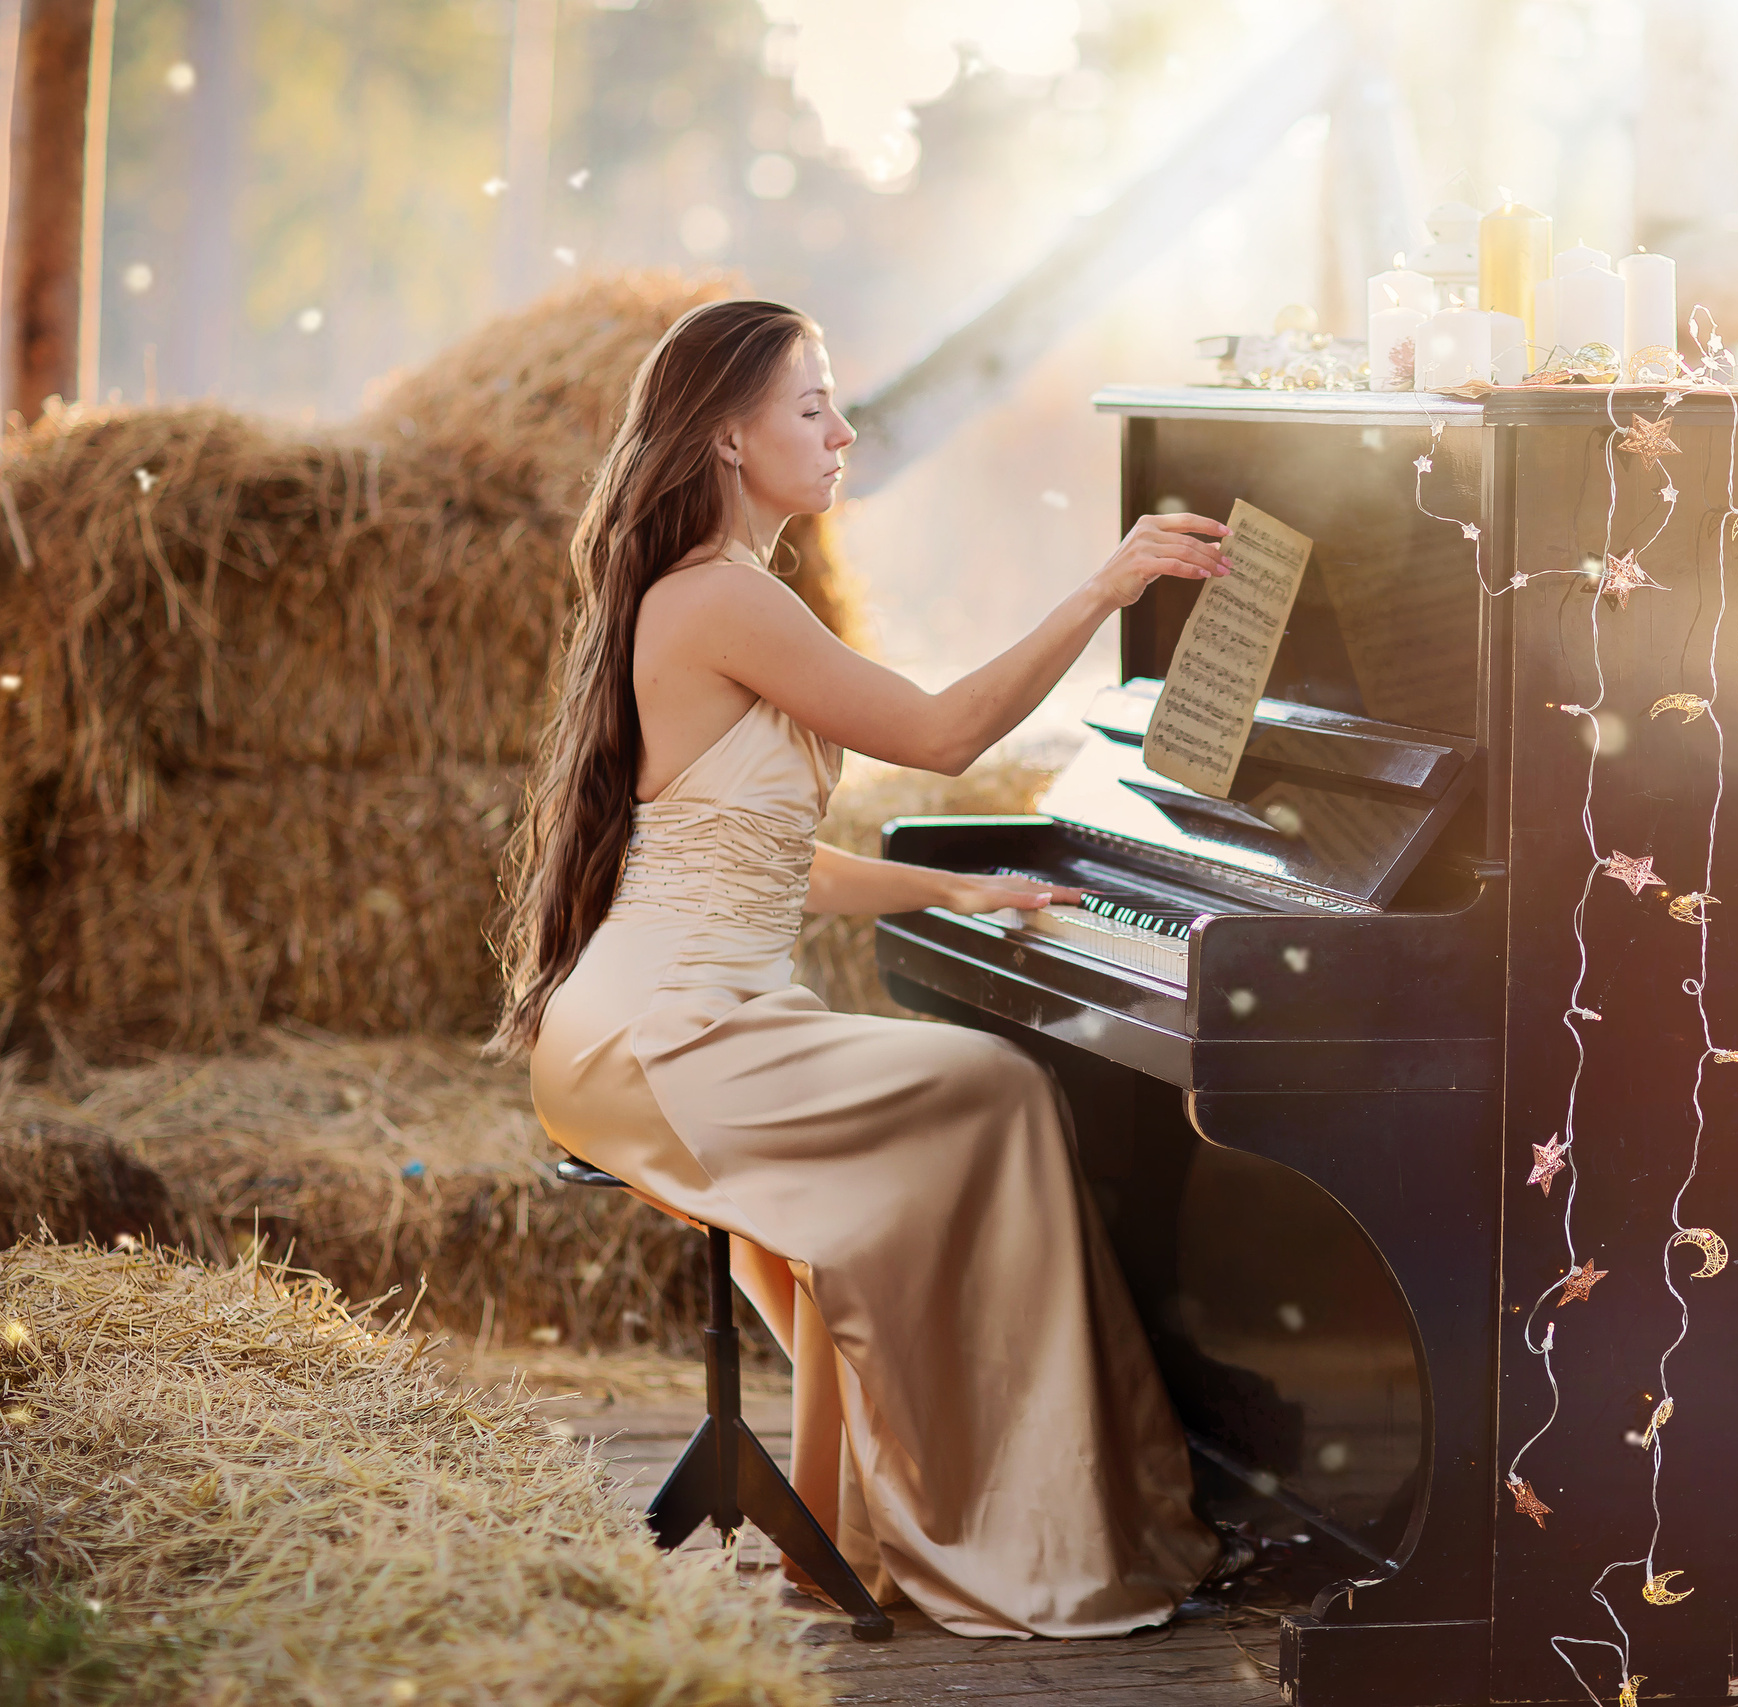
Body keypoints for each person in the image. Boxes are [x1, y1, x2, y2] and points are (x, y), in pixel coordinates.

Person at [490, 297, 1239, 1637]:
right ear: (728, 437)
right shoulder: (724, 598)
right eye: (811, 407)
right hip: (670, 1039)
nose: (843, 432)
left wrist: (951, 883)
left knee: (959, 1116)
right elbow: (946, 735)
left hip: (668, 1021)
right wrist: (1105, 585)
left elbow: (773, 861)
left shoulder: (714, 598)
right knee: (997, 1092)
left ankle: (906, 1510)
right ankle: (1010, 1524)